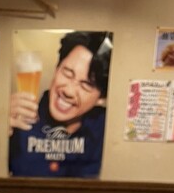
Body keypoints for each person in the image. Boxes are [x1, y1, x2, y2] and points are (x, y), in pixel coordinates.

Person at [9, 31, 113, 178]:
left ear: (101, 97)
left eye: (86, 85)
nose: (68, 91)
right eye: (67, 73)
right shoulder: (18, 119)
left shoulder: (107, 128)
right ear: (56, 69)